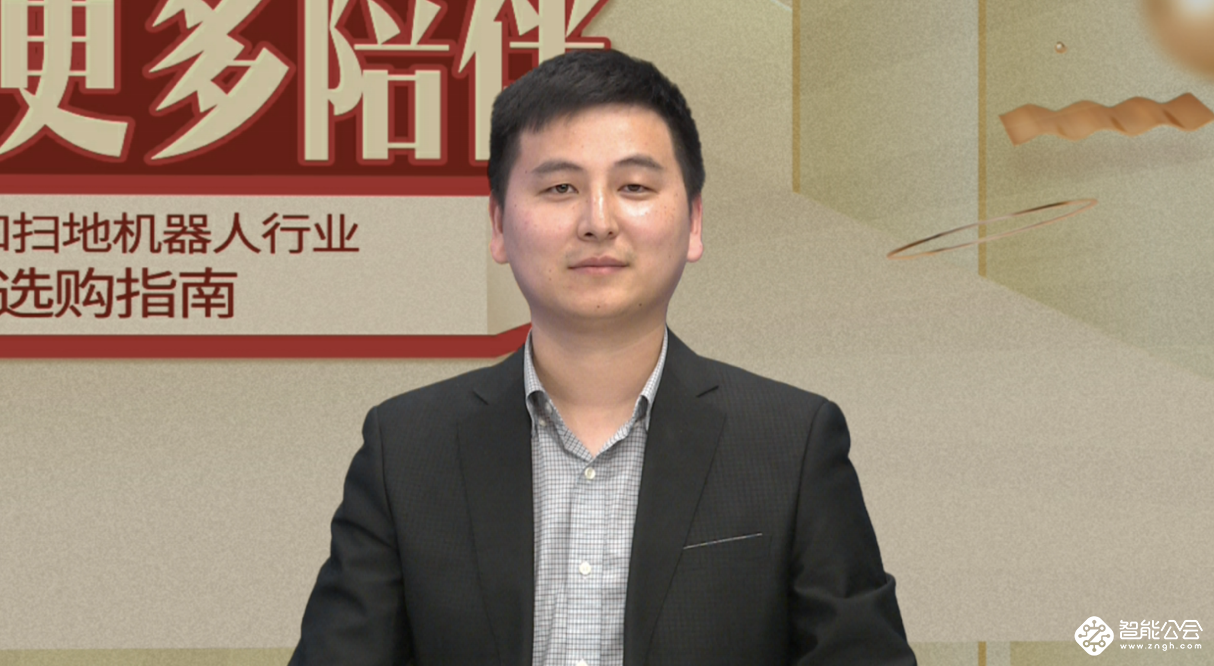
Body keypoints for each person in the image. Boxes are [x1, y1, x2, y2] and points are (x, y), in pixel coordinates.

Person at [290, 49, 915, 666]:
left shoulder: (791, 443)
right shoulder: (406, 449)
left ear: (694, 221)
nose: (598, 221)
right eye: (560, 187)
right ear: (499, 225)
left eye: (634, 187)